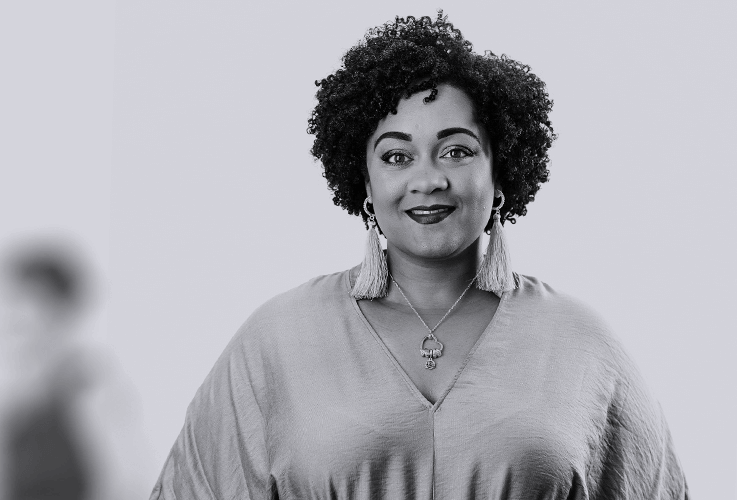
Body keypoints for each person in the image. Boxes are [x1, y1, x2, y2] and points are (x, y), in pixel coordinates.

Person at [150, 13, 688, 500]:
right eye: (396, 156)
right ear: (364, 180)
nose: (428, 179)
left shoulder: (581, 346)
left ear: (498, 171)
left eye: (456, 150)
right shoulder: (279, 340)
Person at [0, 239, 151, 500]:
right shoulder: (12, 406)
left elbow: (125, 484)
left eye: (20, 302)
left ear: (57, 309)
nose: (6, 316)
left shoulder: (88, 386)